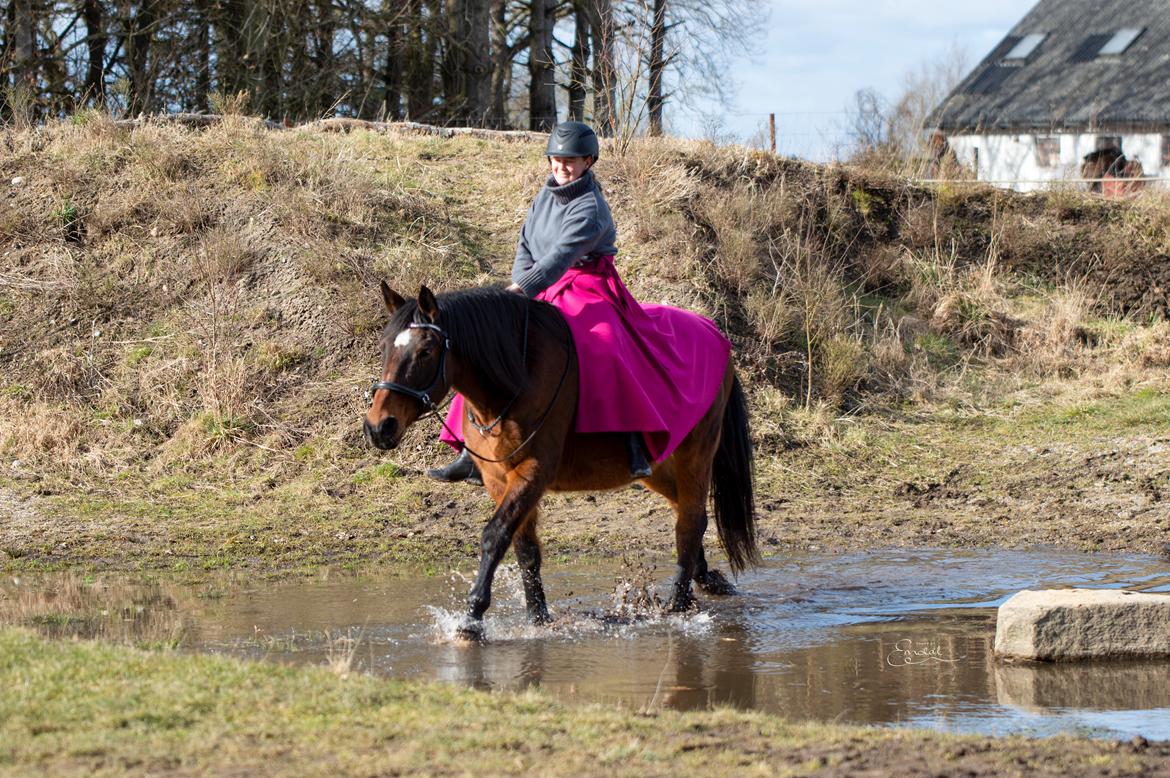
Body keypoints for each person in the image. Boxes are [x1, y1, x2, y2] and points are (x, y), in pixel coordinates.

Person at [428, 120, 730, 484]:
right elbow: (526, 245)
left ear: (589, 161)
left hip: (588, 284)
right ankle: (469, 449)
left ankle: (634, 441)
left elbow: (561, 255)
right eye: (556, 159)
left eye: (569, 160)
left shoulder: (591, 206)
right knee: (489, 344)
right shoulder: (543, 197)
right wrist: (518, 290)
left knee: (603, 343)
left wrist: (524, 289)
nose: (561, 167)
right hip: (538, 287)